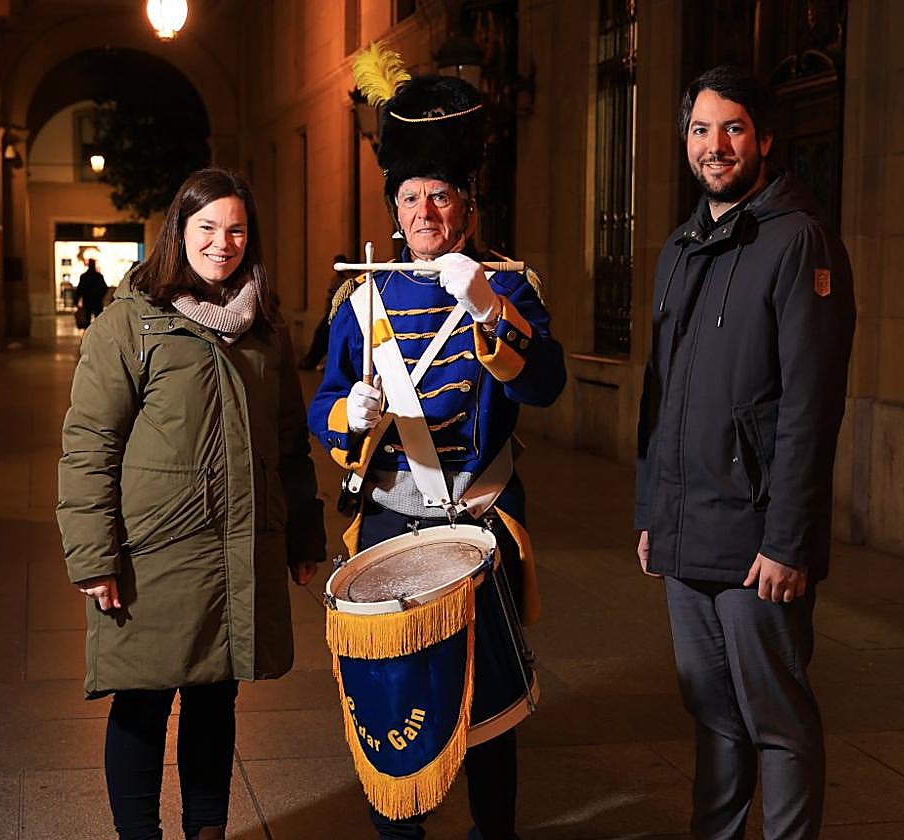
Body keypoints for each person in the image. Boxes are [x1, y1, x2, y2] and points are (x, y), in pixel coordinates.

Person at [309, 56, 566, 840]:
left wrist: (487, 308)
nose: (425, 211)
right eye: (411, 196)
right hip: (390, 522)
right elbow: (323, 403)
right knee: (392, 701)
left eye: (441, 195)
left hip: (480, 518)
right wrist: (350, 414)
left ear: (467, 204)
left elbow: (545, 383)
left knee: (489, 710)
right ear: (394, 208)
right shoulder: (362, 295)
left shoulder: (508, 285)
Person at [57, 167, 326, 840]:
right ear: (179, 231)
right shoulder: (130, 322)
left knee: (215, 697)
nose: (221, 244)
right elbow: (89, 445)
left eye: (236, 230)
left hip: (240, 545)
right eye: (207, 227)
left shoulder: (265, 326)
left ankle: (207, 831)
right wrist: (94, 557)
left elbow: (288, 442)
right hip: (154, 553)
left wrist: (303, 536)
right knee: (141, 701)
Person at [634, 66, 856, 840]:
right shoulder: (679, 247)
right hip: (686, 528)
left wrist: (789, 541)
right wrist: (652, 512)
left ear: (763, 139)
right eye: (701, 129)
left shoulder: (799, 241)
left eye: (732, 129)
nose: (715, 146)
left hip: (758, 539)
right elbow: (659, 396)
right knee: (713, 716)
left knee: (776, 719)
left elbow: (810, 408)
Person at [297, 253, 347, 370]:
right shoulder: (335, 279)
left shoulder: (347, 281)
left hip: (339, 315)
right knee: (319, 334)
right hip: (330, 313)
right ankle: (311, 360)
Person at [74, 257, 109, 326]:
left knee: (87, 320)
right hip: (97, 301)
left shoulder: (84, 276)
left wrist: (76, 300)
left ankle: (88, 332)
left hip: (87, 301)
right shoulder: (99, 276)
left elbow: (79, 289)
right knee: (99, 321)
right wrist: (100, 296)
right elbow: (105, 288)